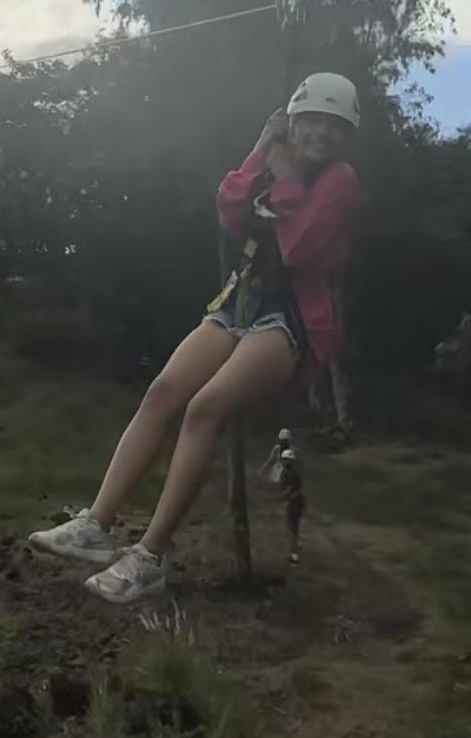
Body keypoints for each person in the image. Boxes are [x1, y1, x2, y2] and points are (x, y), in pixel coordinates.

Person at [27, 72, 361, 604]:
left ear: (346, 136)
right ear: (294, 123)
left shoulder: (338, 180)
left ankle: (150, 556)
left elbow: (299, 252)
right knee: (162, 393)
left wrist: (288, 176)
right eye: (312, 121)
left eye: (334, 125)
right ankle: (95, 525)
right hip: (239, 302)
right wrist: (259, 152)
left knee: (204, 408)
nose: (321, 133)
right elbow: (230, 209)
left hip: (290, 318)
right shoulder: (278, 164)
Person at [277, 448, 305, 564]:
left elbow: (289, 490)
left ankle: (294, 556)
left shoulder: (288, 473)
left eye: (285, 459)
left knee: (292, 528)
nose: (284, 461)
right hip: (298, 502)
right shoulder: (293, 472)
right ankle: (297, 544)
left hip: (294, 503)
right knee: (294, 527)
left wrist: (285, 497)